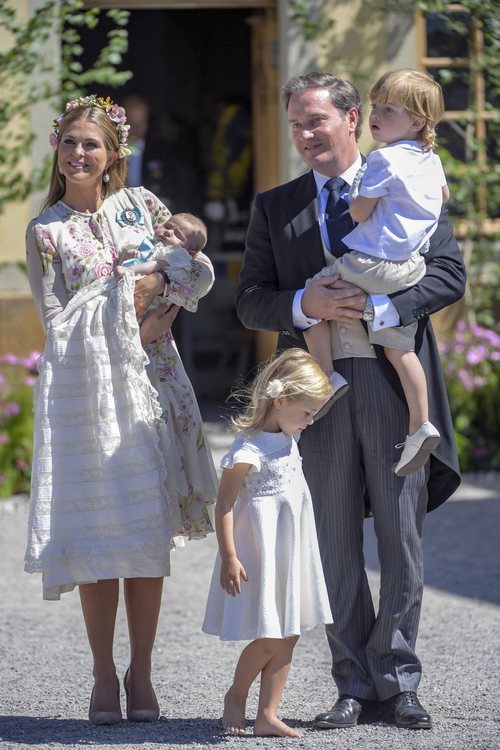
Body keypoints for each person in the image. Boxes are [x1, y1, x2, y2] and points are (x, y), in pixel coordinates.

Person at [236, 72, 466, 730]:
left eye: (315, 121)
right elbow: (251, 298)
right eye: (295, 125)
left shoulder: (408, 176)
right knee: (333, 540)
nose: (305, 135)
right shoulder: (276, 207)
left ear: (352, 118)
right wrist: (303, 303)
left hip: (393, 388)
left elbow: (449, 272)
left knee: (400, 537)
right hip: (317, 394)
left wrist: (388, 305)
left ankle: (397, 678)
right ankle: (352, 683)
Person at [25, 94, 217, 724]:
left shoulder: (144, 208)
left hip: (155, 384)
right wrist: (120, 315)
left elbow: (195, 271)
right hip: (92, 395)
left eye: (92, 145)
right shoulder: (46, 230)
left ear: (113, 156)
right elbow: (55, 323)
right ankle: (104, 675)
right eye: (70, 142)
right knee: (104, 529)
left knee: (147, 529)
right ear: (57, 148)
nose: (79, 154)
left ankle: (143, 672)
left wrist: (161, 297)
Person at [303, 69, 447, 476]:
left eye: (388, 109)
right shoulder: (431, 161)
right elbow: (442, 197)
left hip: (372, 260)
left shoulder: (383, 159)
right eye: (375, 106)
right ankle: (420, 423)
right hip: (409, 267)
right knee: (400, 350)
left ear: (417, 122)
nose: (375, 115)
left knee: (313, 296)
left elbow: (359, 211)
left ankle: (327, 377)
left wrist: (359, 204)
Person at [202, 348, 333, 738]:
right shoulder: (249, 450)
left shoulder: (289, 439)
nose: (310, 422)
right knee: (270, 635)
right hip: (260, 552)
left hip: (288, 549)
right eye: (307, 412)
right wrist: (229, 556)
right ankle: (236, 695)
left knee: (289, 632)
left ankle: (268, 714)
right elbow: (224, 503)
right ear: (281, 400)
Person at [115, 212, 208, 316]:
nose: (168, 232)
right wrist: (127, 256)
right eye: (167, 226)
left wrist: (130, 270)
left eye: (178, 235)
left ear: (190, 253)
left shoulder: (176, 256)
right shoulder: (152, 244)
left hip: (148, 305)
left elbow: (156, 265)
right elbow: (119, 269)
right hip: (125, 289)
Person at [123, 93, 196, 213]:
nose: (137, 128)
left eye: (141, 124)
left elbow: (173, 184)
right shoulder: (112, 149)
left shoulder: (162, 150)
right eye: (132, 123)